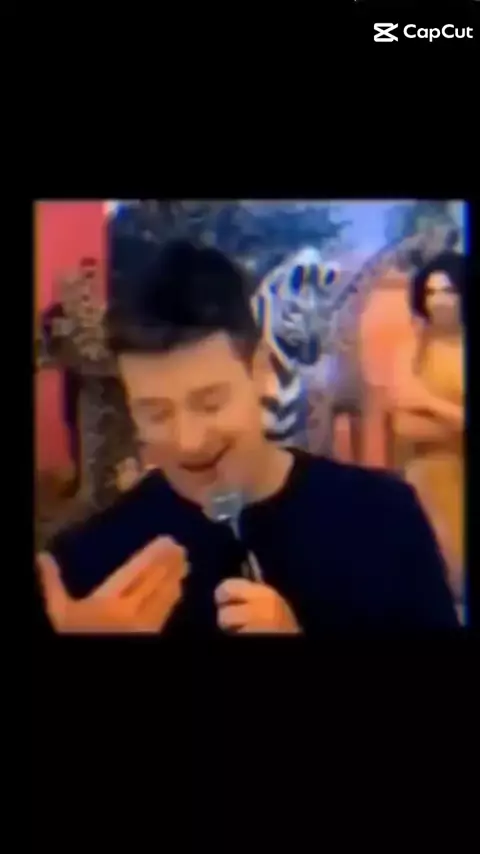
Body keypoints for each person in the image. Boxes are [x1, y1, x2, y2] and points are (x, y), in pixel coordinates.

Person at [35, 240, 459, 634]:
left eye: (210, 403)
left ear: (259, 370)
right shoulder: (91, 561)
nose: (189, 441)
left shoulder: (385, 517)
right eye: (155, 412)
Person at [387, 232, 465, 611]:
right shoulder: (415, 346)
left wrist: (427, 403)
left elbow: (414, 406)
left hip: (458, 477)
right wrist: (454, 418)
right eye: (431, 292)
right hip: (422, 476)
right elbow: (402, 421)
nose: (438, 301)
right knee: (433, 582)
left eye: (447, 291)